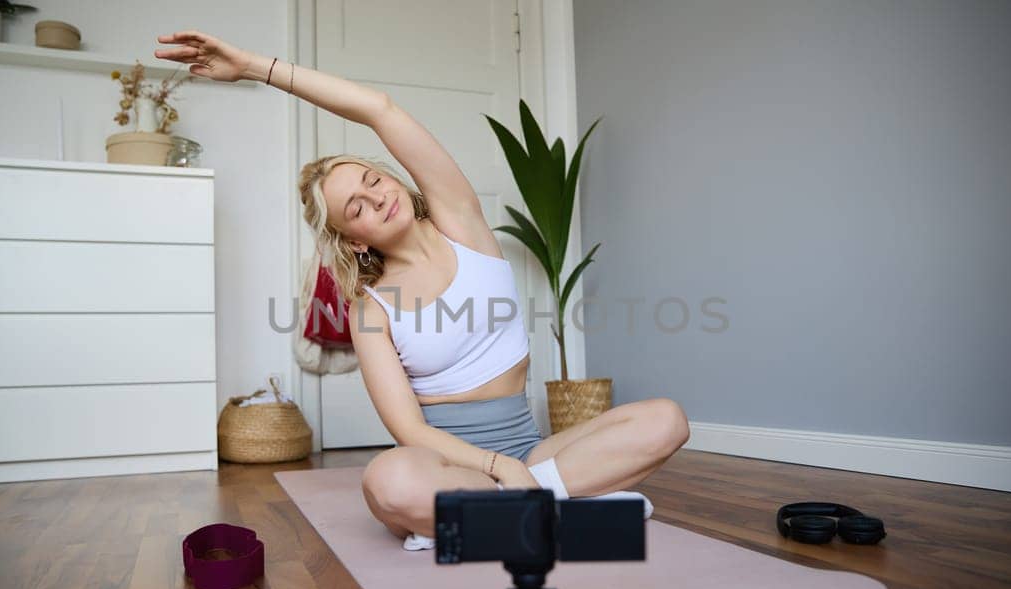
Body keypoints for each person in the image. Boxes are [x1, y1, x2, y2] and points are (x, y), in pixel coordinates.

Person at [156, 30, 690, 550]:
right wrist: (496, 466)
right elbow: (408, 428)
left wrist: (254, 66)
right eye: (355, 208)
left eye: (371, 180)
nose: (375, 197)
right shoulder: (371, 307)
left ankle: (517, 511)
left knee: (665, 419)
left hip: (534, 449)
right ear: (354, 240)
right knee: (388, 482)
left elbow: (380, 110)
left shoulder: (461, 222)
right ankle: (553, 504)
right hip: (452, 463)